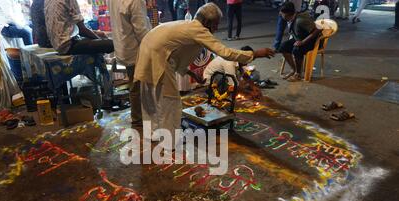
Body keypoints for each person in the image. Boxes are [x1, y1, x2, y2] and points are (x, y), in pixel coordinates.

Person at [134, 3, 275, 145]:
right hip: (158, 56)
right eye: (216, 24)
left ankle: (152, 133)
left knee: (149, 97)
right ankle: (171, 141)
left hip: (147, 48)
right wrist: (255, 54)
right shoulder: (199, 29)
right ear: (207, 22)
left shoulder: (188, 25)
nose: (217, 28)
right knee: (170, 100)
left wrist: (193, 75)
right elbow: (225, 52)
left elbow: (176, 54)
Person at [109, 0, 152, 126]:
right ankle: (139, 118)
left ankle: (138, 116)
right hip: (135, 49)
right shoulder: (135, 1)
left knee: (135, 84)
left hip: (124, 47)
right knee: (139, 86)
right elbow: (141, 30)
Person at [44, 0, 114, 55]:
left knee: (100, 36)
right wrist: (99, 39)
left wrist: (96, 35)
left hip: (57, 45)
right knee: (113, 44)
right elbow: (82, 31)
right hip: (68, 46)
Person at [278, 1, 321, 81]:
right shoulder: (291, 18)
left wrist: (303, 42)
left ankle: (298, 74)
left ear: (287, 14)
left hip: (311, 41)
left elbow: (317, 30)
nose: (280, 14)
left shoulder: (300, 20)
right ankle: (293, 70)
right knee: (283, 47)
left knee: (296, 49)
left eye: (282, 13)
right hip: (299, 38)